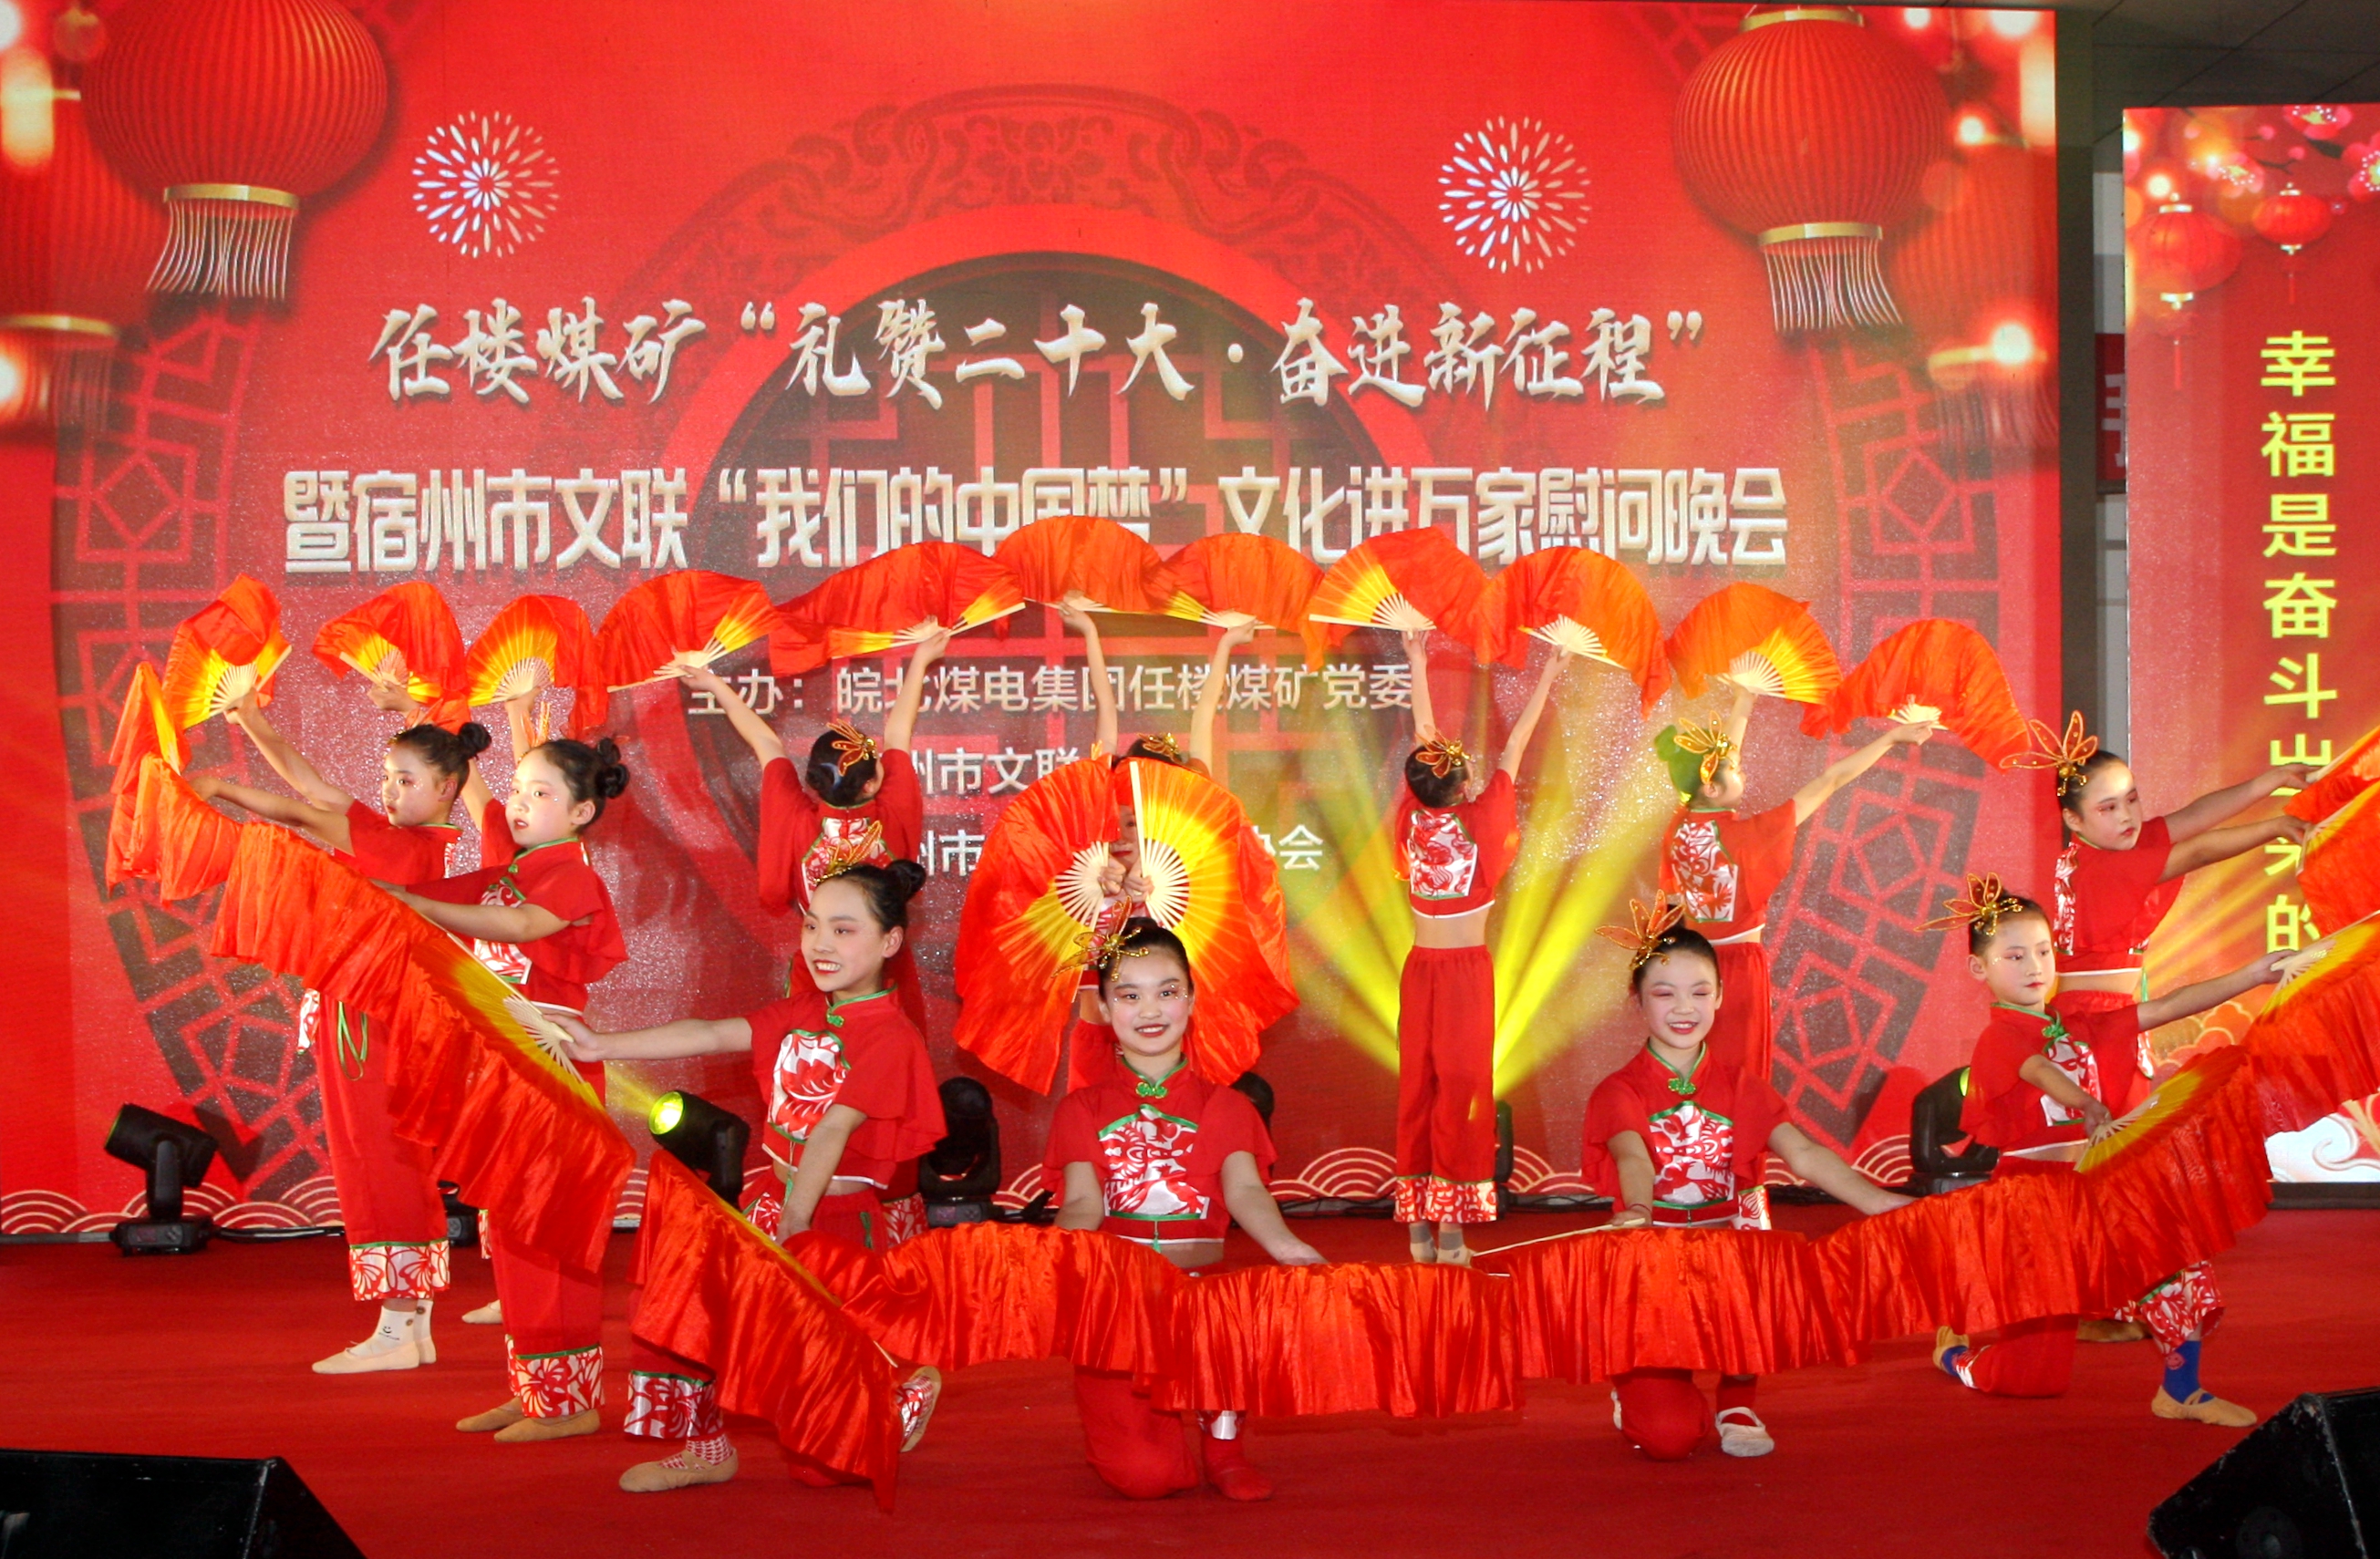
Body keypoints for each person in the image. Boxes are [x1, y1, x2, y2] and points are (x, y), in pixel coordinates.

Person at [553, 861, 947, 1492]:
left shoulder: (892, 1037)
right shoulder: (801, 1011)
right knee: (681, 1303)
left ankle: (895, 1397)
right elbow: (711, 1034)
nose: (820, 943)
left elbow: (831, 1131)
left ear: (890, 942)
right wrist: (603, 1044)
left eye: (843, 930)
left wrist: (795, 1224)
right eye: (812, 926)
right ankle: (706, 1448)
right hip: (775, 1200)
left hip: (831, 1224)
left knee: (819, 1461)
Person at [191, 688, 487, 1374]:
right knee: (389, 1161)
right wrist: (252, 719)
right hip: (369, 1014)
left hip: (369, 1023)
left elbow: (302, 809)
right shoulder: (403, 841)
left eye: (405, 780)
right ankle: (411, 1325)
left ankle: (397, 1325)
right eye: (386, 776)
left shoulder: (403, 850)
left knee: (377, 1162)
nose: (389, 790)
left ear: (447, 788)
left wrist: (220, 788)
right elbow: (314, 786)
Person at [1926, 875, 2282, 1424]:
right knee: (2033, 1379)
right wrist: (2087, 1103)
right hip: (2034, 1205)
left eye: (2043, 951)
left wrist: (2253, 973)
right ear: (1980, 968)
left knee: (2175, 1258)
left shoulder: (2080, 1025)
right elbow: (2040, 1071)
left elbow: (2167, 1006)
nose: (2034, 966)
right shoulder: (2000, 1037)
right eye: (2015, 956)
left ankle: (2181, 1390)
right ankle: (1954, 1356)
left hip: (2096, 1187)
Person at [1585, 903, 1909, 1461]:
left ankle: (1738, 1399)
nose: (1683, 1008)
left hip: (1725, 1260)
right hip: (1654, 1263)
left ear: (1719, 997)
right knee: (1670, 1439)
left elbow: (1804, 1154)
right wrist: (1639, 1208)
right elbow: (1633, 1156)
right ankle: (1636, 1384)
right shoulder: (1621, 1091)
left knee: (1760, 1254)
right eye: (1663, 993)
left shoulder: (1742, 1087)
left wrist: (1879, 1202)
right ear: (1637, 1001)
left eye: (1699, 991)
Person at [381, 735, 632, 1443]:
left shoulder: (572, 877)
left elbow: (518, 926)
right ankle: (533, 1390)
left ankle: (569, 1403)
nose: (519, 804)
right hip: (502, 1069)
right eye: (517, 789)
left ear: (582, 812)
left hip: (551, 1074)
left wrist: (414, 901)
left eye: (540, 794)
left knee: (550, 1240)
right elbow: (438, 901)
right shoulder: (512, 873)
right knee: (514, 1238)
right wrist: (386, 896)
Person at [1049, 919, 1325, 1502]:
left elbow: (1246, 1191)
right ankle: (1151, 1433)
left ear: (1193, 999)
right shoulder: (1082, 1109)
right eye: (1130, 995)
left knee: (1228, 1315)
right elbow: (1081, 1202)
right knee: (1148, 1478)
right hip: (1120, 1301)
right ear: (1104, 1008)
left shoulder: (1227, 1107)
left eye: (1167, 991)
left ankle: (1224, 1448)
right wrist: (1050, 1257)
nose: (1151, 1010)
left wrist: (1289, 1248)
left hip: (1201, 1296)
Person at [1655, 680, 1936, 1092]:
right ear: (1712, 788)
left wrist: (1744, 701)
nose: (1741, 769)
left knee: (1697, 1075)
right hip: (1737, 971)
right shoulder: (1748, 838)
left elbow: (1721, 761)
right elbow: (1830, 781)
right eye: (1735, 770)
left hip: (1690, 968)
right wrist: (1890, 739)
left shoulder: (1678, 827)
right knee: (1741, 1083)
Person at [2013, 713, 2311, 1092]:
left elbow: (2194, 816)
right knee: (2113, 1122)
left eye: (2132, 800)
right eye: (2108, 808)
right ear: (2073, 819)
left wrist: (2272, 780)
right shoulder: (2101, 869)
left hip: (2106, 1010)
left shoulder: (2102, 850)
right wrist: (2276, 826)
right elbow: (2198, 851)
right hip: (2095, 1018)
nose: (2127, 816)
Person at [1392, 629, 1567, 1265]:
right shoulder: (1480, 816)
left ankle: (1432, 1230)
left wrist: (1415, 660)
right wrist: (1549, 673)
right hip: (1457, 973)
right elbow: (1516, 745)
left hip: (1428, 969)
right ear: (1463, 783)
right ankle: (1439, 1232)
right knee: (1454, 1091)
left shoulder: (1414, 816)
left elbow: (1425, 732)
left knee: (1429, 1088)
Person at [678, 630, 946, 1038]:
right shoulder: (893, 813)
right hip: (882, 970)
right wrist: (922, 659)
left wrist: (713, 683)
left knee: (811, 1063)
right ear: (870, 784)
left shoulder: (798, 819)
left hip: (819, 970)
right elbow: (898, 734)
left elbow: (765, 741)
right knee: (886, 1061)